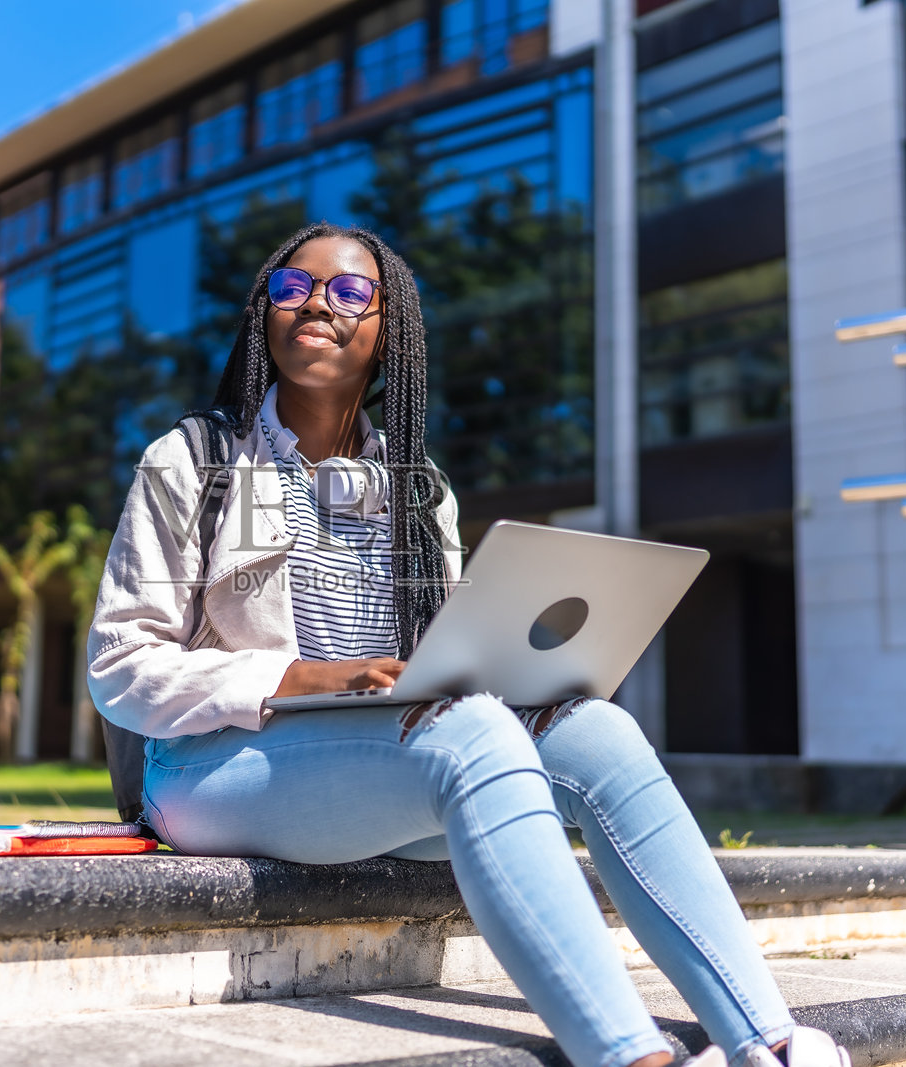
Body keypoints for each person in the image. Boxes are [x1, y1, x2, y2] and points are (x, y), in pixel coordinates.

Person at [88, 223, 849, 1067]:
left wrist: (521, 685)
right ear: (264, 312)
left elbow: (448, 664)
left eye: (348, 293)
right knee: (476, 735)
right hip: (213, 771)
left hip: (378, 776)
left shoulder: (422, 493)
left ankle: (769, 1040)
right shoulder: (195, 461)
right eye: (291, 287)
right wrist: (305, 677)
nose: (315, 304)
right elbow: (121, 667)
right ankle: (630, 1055)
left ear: (389, 333)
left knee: (595, 730)